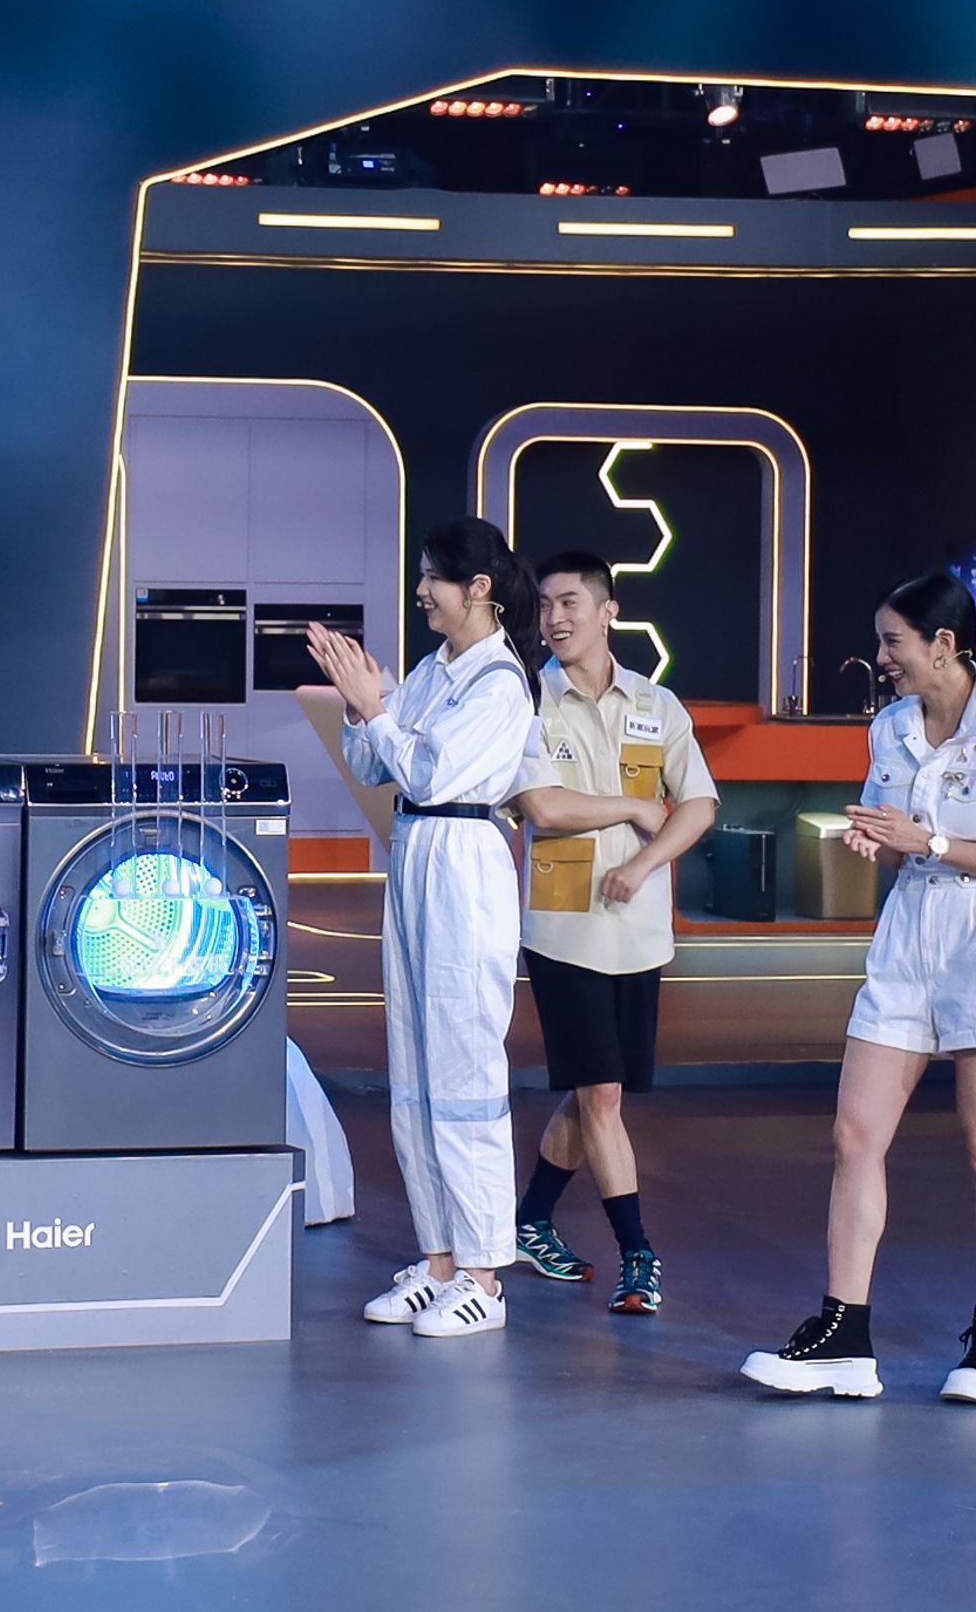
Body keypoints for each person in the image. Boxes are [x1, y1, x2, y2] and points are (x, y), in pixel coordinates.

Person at [311, 519, 656, 1340]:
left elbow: (433, 771)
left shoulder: (501, 681)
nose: (420, 590)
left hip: (463, 857)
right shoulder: (434, 668)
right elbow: (375, 764)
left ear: (477, 589)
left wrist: (376, 709)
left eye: (432, 577)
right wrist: (363, 709)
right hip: (414, 850)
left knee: (464, 1067)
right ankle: (438, 1260)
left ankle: (483, 1275)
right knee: (415, 1069)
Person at [744, 567, 976, 1407]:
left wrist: (931, 843)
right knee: (854, 1135)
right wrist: (879, 844)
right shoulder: (888, 728)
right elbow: (897, 840)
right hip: (907, 935)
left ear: (943, 645)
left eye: (893, 643)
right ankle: (843, 1334)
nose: (882, 657)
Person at [508, 552, 721, 1317]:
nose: (553, 618)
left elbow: (697, 804)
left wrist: (643, 864)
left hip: (639, 933)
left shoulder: (656, 704)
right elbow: (543, 805)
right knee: (600, 1094)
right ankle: (638, 1255)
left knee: (593, 1087)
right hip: (562, 927)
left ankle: (530, 1218)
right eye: (544, 605)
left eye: (568, 602)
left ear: (608, 611)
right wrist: (632, 808)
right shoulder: (525, 700)